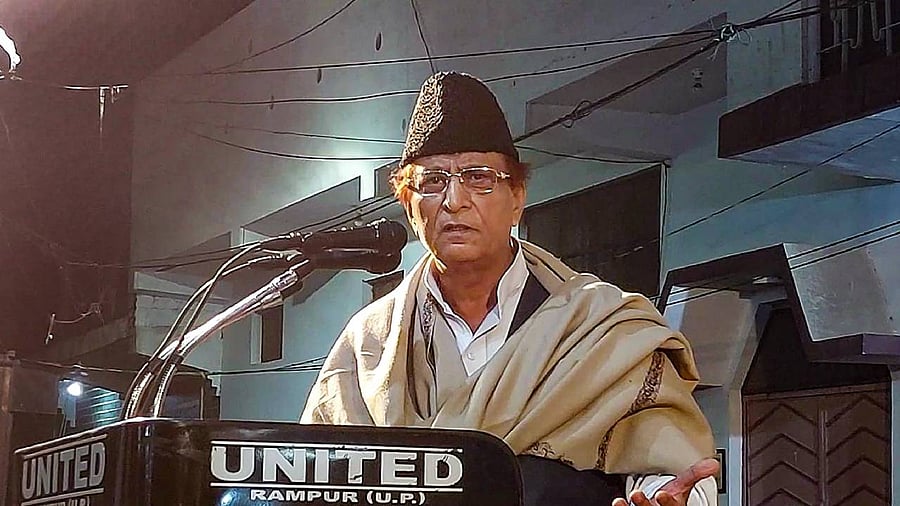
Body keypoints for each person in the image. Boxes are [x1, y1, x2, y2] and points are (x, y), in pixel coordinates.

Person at [301, 71, 719, 506]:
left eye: (479, 178)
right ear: (409, 205)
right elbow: (315, 476)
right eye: (432, 181)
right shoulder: (369, 342)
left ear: (517, 197)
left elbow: (666, 465)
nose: (454, 200)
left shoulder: (599, 327)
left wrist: (668, 498)